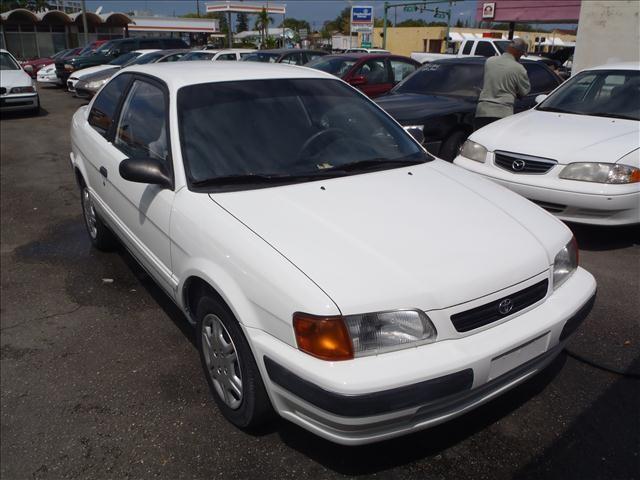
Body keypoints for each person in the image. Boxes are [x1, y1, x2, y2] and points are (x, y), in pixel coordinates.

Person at [474, 38, 531, 131]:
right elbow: (524, 92)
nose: (521, 56)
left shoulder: (489, 61)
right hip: (503, 113)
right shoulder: (519, 68)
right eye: (521, 54)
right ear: (518, 51)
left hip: (482, 111)